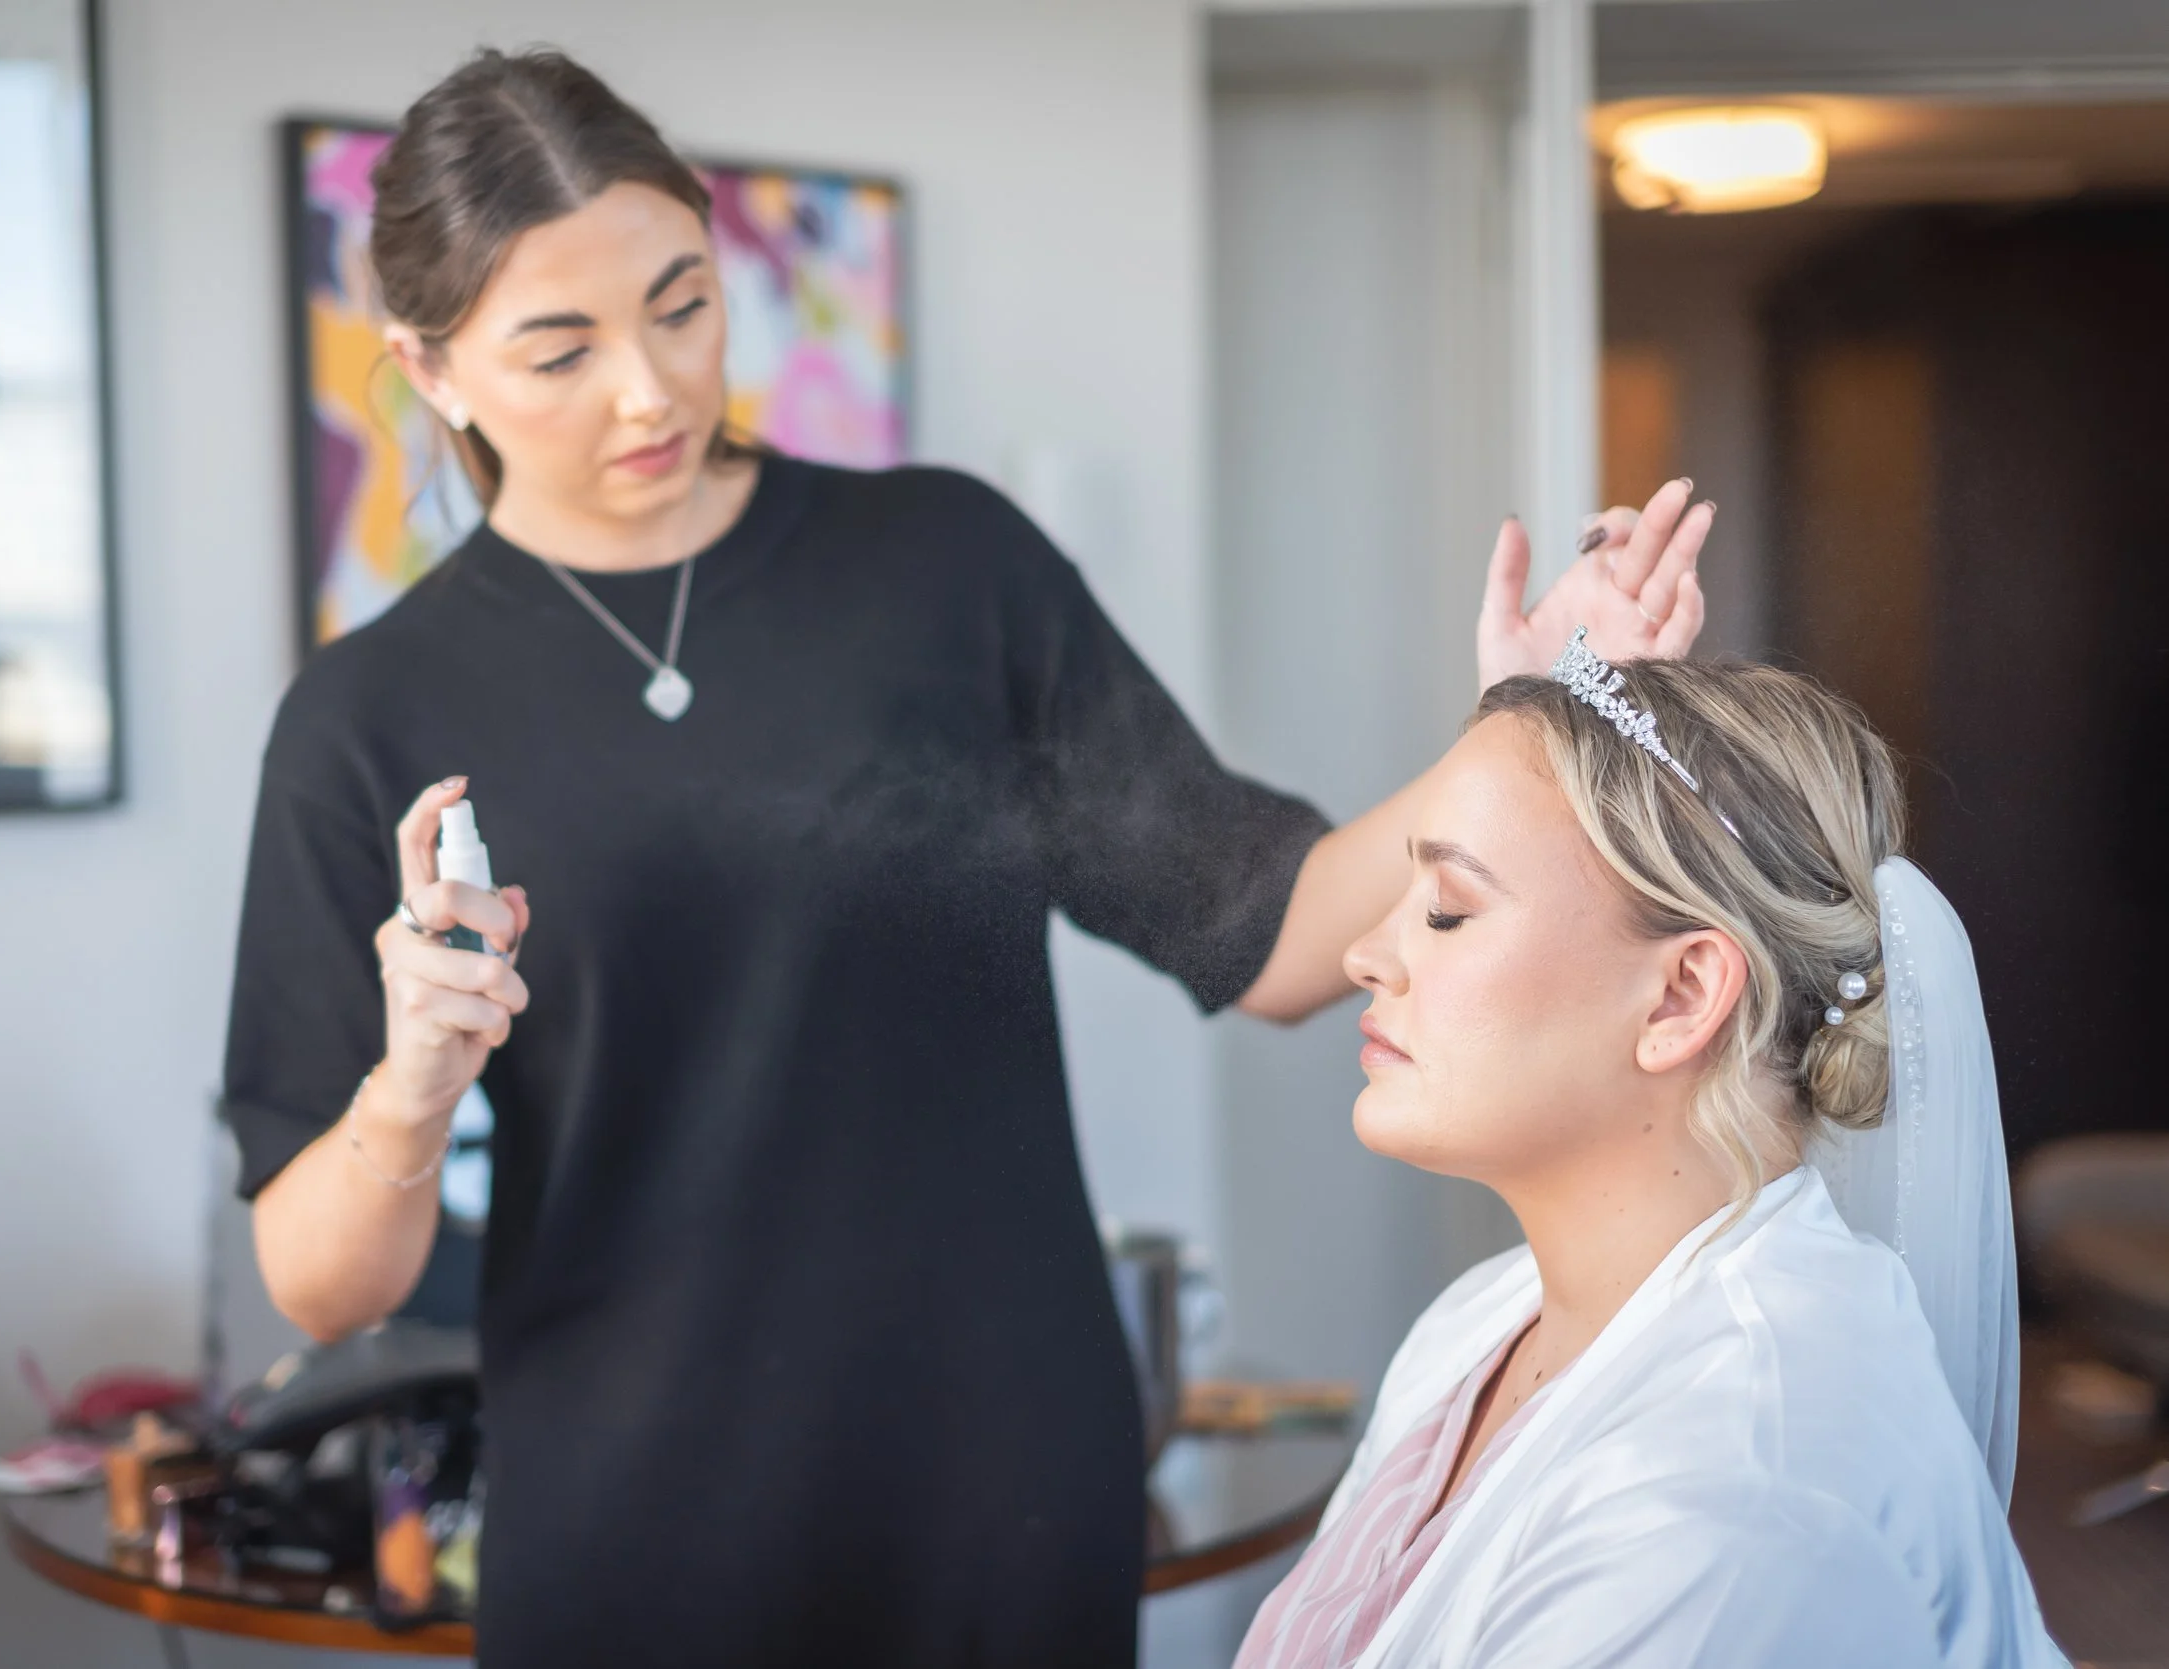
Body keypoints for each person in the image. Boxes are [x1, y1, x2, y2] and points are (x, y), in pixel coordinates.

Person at [222, 48, 1712, 1669]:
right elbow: (318, 1283)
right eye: (561, 349)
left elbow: (1270, 930)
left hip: (997, 1485)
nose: (648, 389)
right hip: (636, 1519)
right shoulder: (370, 717)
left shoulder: (944, 568)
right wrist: (414, 1083)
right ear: (430, 368)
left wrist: (1529, 715)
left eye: (682, 305)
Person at [1235, 640, 2067, 1668]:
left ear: (1680, 996)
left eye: (1447, 909)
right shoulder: (1481, 1321)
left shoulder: (1733, 1505)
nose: (1363, 954)